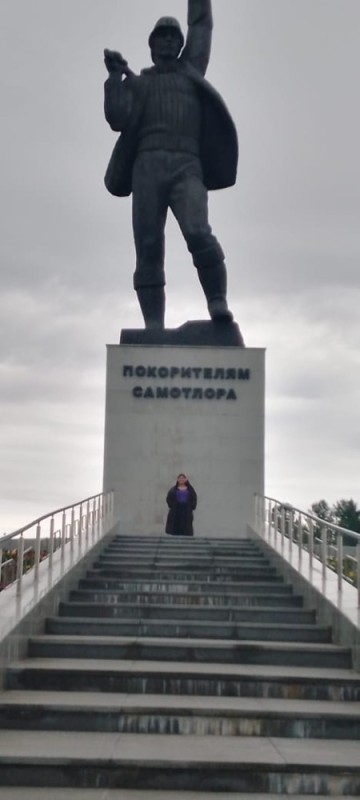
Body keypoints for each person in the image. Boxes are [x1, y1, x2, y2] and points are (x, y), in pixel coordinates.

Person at [103, 0, 238, 329]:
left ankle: (217, 301)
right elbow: (116, 119)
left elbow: (201, 24)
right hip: (147, 165)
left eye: (173, 37)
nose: (167, 41)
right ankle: (153, 326)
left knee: (198, 231)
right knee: (148, 245)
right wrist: (114, 79)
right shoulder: (137, 83)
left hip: (186, 164)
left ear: (181, 44)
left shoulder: (191, 67)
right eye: (160, 37)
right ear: (151, 46)